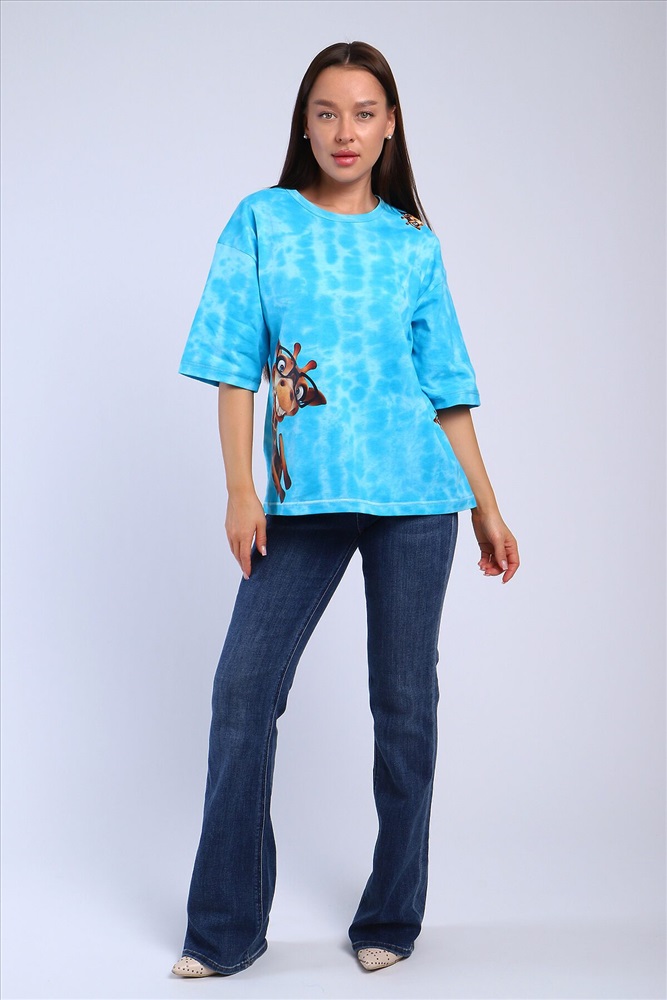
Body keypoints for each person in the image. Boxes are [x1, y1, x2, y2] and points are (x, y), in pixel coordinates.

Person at [171, 39, 519, 979]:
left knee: (404, 706)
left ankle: (392, 915)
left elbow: (446, 387)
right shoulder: (263, 219)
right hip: (301, 502)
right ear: (304, 122)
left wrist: (486, 507)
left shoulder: (413, 242)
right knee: (243, 693)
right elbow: (233, 362)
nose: (344, 131)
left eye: (364, 113)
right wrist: (240, 488)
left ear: (390, 124)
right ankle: (225, 929)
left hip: (417, 496)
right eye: (326, 112)